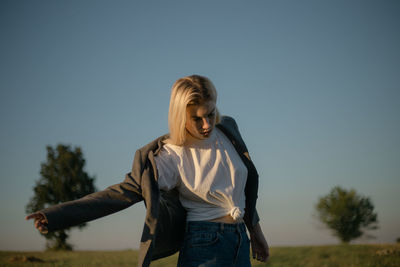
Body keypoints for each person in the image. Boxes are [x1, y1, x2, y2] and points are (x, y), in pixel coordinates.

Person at [26, 75, 269, 267]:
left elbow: (241, 190)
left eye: (210, 113)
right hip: (205, 244)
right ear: (180, 116)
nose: (207, 125)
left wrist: (255, 232)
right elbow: (124, 191)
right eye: (197, 118)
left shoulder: (228, 129)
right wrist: (58, 215)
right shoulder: (171, 156)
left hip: (239, 241)